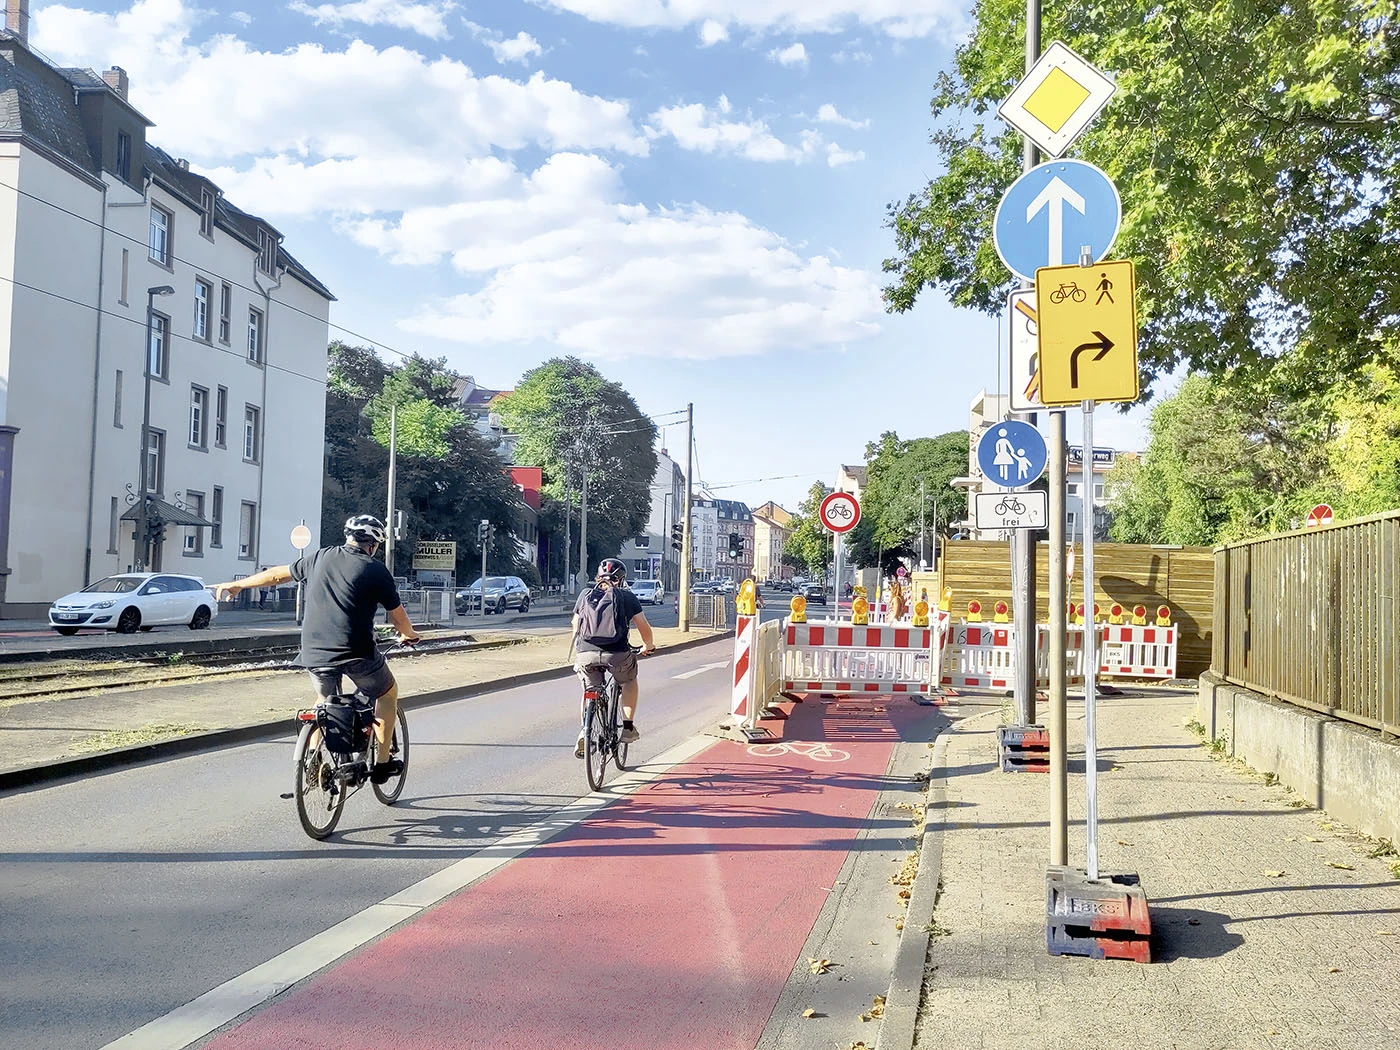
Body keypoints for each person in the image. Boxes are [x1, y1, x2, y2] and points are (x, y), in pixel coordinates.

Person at [211, 514, 420, 784]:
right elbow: (398, 617)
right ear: (374, 544)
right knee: (387, 693)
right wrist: (409, 634)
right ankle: (382, 765)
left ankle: (312, 759)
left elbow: (276, 575)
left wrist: (238, 584)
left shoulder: (319, 557)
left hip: (314, 651)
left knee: (324, 700)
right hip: (357, 653)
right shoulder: (375, 570)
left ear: (348, 537)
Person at [572, 558, 656, 757]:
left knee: (589, 690)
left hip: (586, 653)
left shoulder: (585, 594)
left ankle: (586, 730)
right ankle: (627, 727)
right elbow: (644, 627)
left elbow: (575, 624)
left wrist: (580, 650)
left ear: (597, 578)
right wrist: (648, 646)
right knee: (629, 680)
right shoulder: (627, 596)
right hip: (617, 654)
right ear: (622, 579)